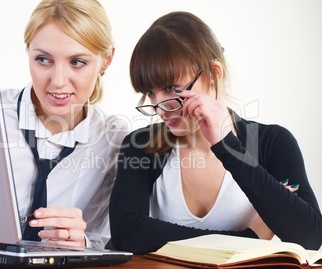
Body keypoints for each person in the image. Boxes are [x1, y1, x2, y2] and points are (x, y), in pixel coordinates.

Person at [109, 11, 322, 254]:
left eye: (171, 88)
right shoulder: (141, 145)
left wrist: (226, 144)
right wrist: (249, 238)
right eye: (151, 93)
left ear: (213, 74)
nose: (161, 109)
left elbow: (309, 238)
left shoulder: (273, 143)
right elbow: (127, 234)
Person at [1, 0, 128, 249]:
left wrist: (83, 241)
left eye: (77, 62)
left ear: (106, 60)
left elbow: (105, 240)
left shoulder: (114, 139)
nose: (58, 81)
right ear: (28, 52)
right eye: (43, 59)